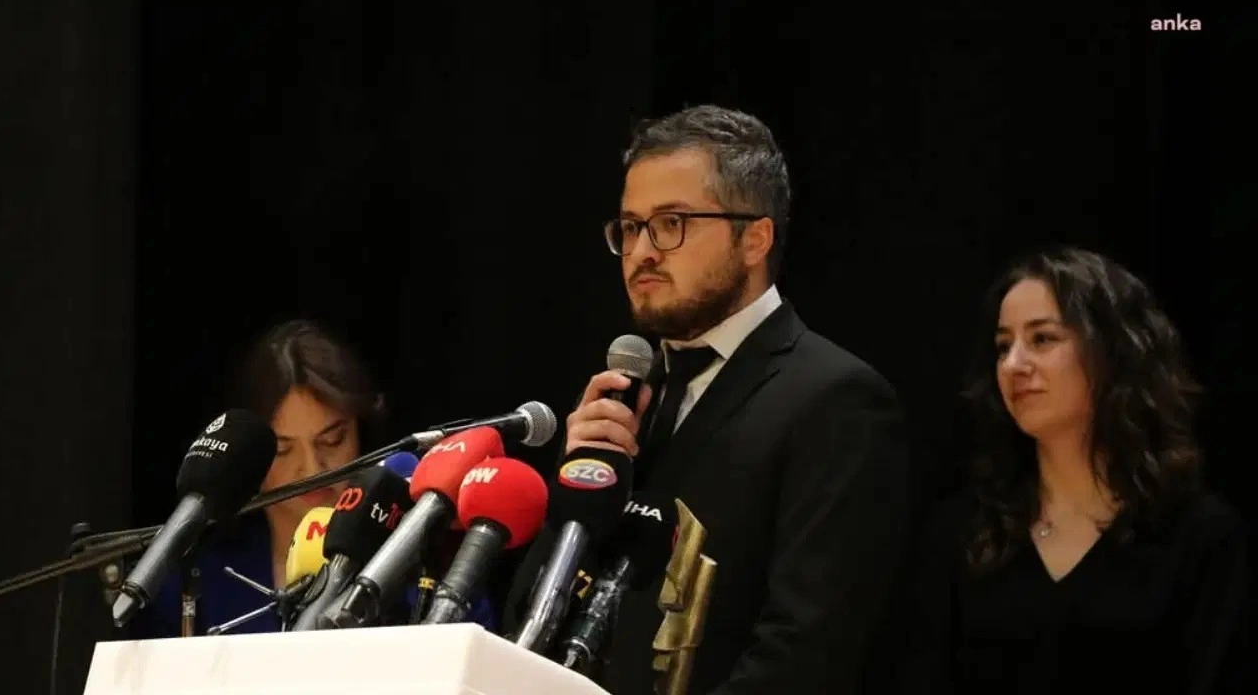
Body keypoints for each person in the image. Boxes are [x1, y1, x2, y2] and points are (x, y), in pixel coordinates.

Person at [504, 105, 911, 694]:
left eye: (671, 223)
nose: (642, 251)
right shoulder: (626, 397)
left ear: (755, 239)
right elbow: (525, 625)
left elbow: (805, 654)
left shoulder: (836, 399)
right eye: (631, 227)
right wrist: (575, 497)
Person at [896, 247, 1250, 693]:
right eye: (1003, 346)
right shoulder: (961, 534)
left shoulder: (1197, 536)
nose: (1013, 365)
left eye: (1042, 339)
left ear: (1112, 352)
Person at [126, 319, 497, 637]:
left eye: (332, 440)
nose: (311, 467)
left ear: (362, 433)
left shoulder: (432, 578)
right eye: (282, 449)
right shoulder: (194, 582)